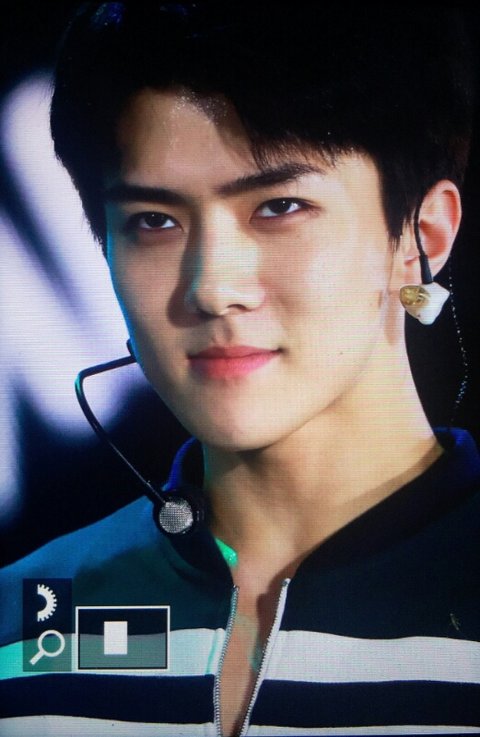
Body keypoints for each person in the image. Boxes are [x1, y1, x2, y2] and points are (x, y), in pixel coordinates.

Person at [1, 2, 480, 735]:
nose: (212, 287)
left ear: (422, 235)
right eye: (154, 221)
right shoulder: (25, 620)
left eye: (279, 207)